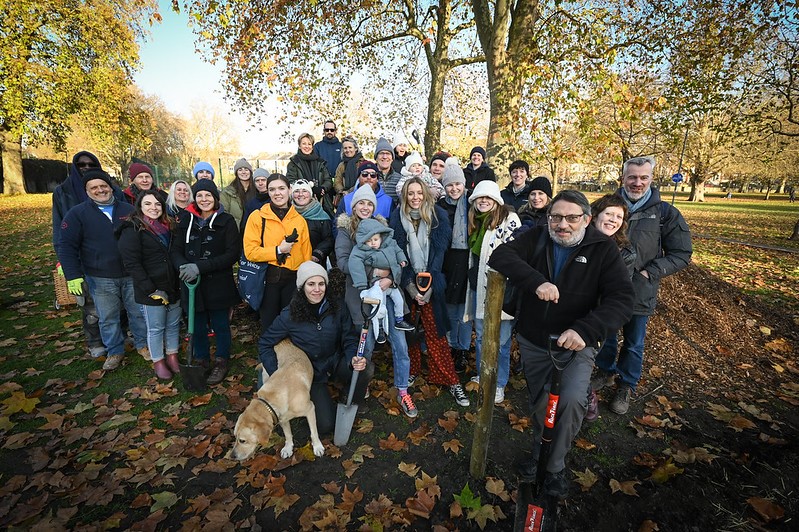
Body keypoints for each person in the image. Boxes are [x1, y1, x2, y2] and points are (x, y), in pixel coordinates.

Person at [488, 189, 634, 498]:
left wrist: (585, 330)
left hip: (576, 345)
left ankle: (553, 467)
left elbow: (621, 300)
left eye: (571, 217)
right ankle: (542, 453)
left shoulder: (603, 250)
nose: (562, 224)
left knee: (568, 401)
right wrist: (536, 281)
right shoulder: (538, 237)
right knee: (542, 402)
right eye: (556, 217)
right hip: (534, 339)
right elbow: (500, 255)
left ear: (586, 219)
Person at [592, 156, 692, 415]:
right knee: (607, 336)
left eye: (643, 177)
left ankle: (626, 384)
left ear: (651, 178)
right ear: (623, 178)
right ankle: (605, 372)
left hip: (640, 290)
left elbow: (682, 253)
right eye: (632, 177)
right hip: (605, 288)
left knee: (634, 342)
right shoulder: (606, 206)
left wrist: (652, 272)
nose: (637, 182)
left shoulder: (665, 213)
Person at [258, 261, 373, 434]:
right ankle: (321, 400)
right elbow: (265, 343)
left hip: (335, 360)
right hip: (312, 372)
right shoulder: (289, 314)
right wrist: (277, 373)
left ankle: (349, 397)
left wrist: (352, 358)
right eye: (311, 284)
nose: (317, 289)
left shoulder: (338, 306)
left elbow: (349, 336)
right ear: (302, 287)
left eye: (321, 284)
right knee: (326, 426)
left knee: (366, 368)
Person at [335, 184, 416, 418]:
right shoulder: (345, 231)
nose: (365, 207)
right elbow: (342, 263)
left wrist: (390, 277)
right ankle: (363, 382)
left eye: (370, 203)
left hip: (387, 292)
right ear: (353, 205)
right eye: (361, 202)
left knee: (399, 343)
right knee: (366, 343)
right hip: (363, 296)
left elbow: (398, 259)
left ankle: (402, 390)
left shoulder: (383, 229)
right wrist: (375, 273)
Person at [389, 177, 470, 407]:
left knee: (436, 334)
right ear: (405, 196)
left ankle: (451, 379)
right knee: (410, 333)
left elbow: (439, 256)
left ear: (425, 194)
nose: (415, 198)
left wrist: (429, 287)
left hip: (432, 283)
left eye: (419, 193)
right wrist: (411, 287)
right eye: (410, 193)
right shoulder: (397, 219)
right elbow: (396, 255)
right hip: (407, 285)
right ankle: (412, 370)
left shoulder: (437, 218)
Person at [58, 168, 149, 371]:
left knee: (138, 312)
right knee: (108, 317)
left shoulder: (128, 210)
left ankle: (143, 345)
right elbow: (66, 246)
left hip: (130, 273)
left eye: (103, 186)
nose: (100, 190)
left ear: (110, 187)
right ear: (87, 191)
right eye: (94, 187)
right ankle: (115, 350)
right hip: (100, 276)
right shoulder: (77, 214)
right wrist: (73, 274)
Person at [52, 151, 122, 360]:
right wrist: (65, 263)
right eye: (81, 165)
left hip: (115, 258)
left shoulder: (114, 191)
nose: (86, 167)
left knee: (117, 303)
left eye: (91, 164)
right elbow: (60, 230)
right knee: (92, 306)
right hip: (85, 256)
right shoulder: (64, 192)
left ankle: (118, 337)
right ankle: (95, 341)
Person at [170, 179, 241, 385]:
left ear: (215, 198)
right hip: (192, 284)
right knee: (197, 323)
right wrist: (183, 266)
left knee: (220, 324)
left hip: (218, 283)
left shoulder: (226, 221)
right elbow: (175, 249)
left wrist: (200, 267)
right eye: (199, 195)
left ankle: (221, 360)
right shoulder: (185, 220)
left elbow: (232, 254)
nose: (204, 199)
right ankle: (201, 359)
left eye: (208, 195)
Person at [463, 180, 521, 404]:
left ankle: (499, 383)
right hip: (478, 289)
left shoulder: (509, 221)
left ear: (496, 200)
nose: (484, 201)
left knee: (502, 341)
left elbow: (513, 256)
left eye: (488, 197)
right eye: (479, 197)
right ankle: (483, 374)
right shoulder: (476, 222)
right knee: (481, 339)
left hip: (500, 291)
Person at [584, 193, 637, 421]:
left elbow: (615, 292)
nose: (613, 220)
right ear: (596, 215)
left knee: (583, 362)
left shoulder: (625, 252)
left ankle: (588, 400)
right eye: (609, 214)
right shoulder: (579, 239)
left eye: (618, 216)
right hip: (566, 309)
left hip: (596, 316)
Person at [117, 191, 181, 379]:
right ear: (140, 207)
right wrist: (150, 288)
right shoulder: (133, 229)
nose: (153, 208)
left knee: (173, 325)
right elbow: (132, 263)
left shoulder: (169, 227)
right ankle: (158, 361)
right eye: (148, 204)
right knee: (156, 327)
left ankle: (172, 356)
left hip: (173, 284)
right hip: (151, 288)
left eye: (157, 204)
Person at [243, 174, 312, 332]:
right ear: (267, 192)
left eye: (281, 188)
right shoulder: (257, 217)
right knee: (270, 325)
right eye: (272, 189)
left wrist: (307, 281)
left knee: (292, 324)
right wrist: (278, 251)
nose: (277, 193)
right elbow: (250, 251)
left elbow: (306, 254)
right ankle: (270, 355)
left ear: (289, 190)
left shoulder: (299, 220)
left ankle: (290, 356)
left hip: (292, 280)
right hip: (268, 280)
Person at [348, 218, 415, 341]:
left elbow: (398, 250)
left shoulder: (390, 243)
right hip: (376, 284)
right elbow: (355, 265)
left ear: (381, 237)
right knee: (380, 306)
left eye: (375, 239)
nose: (373, 243)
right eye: (369, 241)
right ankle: (380, 329)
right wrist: (361, 284)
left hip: (392, 282)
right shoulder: (360, 251)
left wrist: (402, 259)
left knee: (399, 300)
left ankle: (399, 319)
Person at [437, 161, 471, 373]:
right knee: (449, 305)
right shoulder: (440, 206)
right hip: (446, 259)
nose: (454, 189)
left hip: (466, 258)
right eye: (450, 185)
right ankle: (449, 344)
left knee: (464, 308)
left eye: (458, 184)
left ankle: (463, 348)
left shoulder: (471, 203)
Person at [286, 133, 334, 215]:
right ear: (299, 146)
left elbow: (328, 180)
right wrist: (309, 189)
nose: (307, 146)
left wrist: (322, 188)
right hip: (301, 202)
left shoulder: (320, 162)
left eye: (309, 144)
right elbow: (291, 181)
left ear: (312, 146)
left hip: (321, 201)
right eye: (304, 144)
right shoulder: (293, 163)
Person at [291, 179, 333, 265]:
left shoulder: (322, 215)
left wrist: (318, 253)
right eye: (296, 191)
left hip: (315, 262)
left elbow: (329, 239)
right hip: (291, 263)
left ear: (310, 194)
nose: (300, 194)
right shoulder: (287, 214)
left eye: (304, 191)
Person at [220, 158, 256, 227]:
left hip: (254, 228)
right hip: (236, 229)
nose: (243, 172)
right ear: (236, 173)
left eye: (246, 169)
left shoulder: (257, 190)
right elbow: (224, 212)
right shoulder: (228, 192)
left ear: (250, 172)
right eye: (240, 170)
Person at [333, 136, 365, 203]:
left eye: (350, 147)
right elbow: (337, 180)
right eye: (345, 148)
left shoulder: (363, 163)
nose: (347, 150)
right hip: (344, 197)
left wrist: (349, 192)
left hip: (361, 196)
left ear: (355, 148)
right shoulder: (341, 165)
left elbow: (362, 181)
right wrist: (342, 191)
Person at [240, 168, 270, 233]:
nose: (260, 183)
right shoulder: (250, 203)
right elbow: (245, 225)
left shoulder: (275, 201)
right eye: (257, 181)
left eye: (263, 180)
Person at [374, 137, 402, 204]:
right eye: (381, 153)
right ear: (376, 158)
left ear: (392, 158)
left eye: (388, 153)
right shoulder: (369, 177)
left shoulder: (400, 179)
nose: (385, 157)